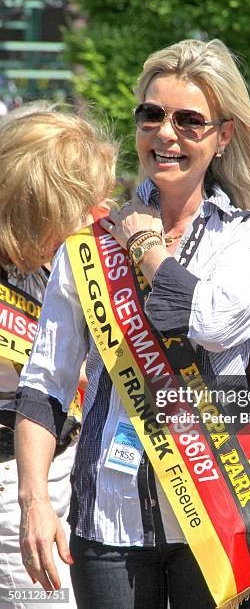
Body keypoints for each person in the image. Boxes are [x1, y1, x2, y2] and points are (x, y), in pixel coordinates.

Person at [13, 39, 250, 609]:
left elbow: (206, 322)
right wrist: (35, 502)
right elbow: (45, 385)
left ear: (223, 137)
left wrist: (144, 246)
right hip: (106, 520)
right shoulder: (86, 242)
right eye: (152, 115)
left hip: (215, 515)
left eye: (190, 121)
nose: (166, 134)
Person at [0, 102, 118, 608]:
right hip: (16, 490)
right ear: (40, 204)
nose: (100, 213)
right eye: (85, 202)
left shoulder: (57, 264)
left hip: (67, 477)